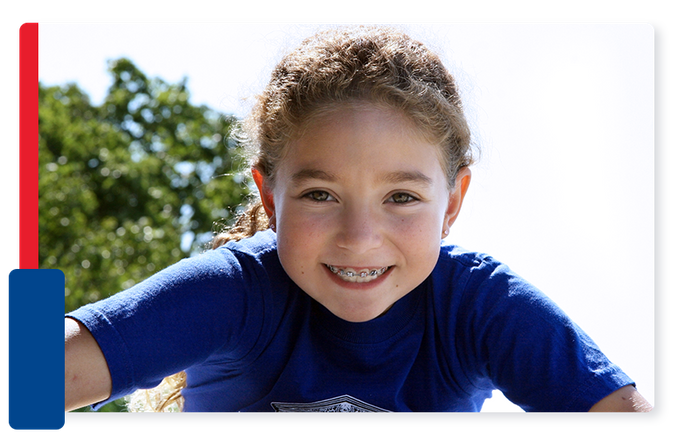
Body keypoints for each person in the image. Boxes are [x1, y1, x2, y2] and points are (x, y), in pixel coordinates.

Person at [64, 25, 652, 414]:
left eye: (401, 197)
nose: (360, 239)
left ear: (452, 204)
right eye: (321, 195)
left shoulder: (479, 307)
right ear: (271, 199)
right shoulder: (236, 292)